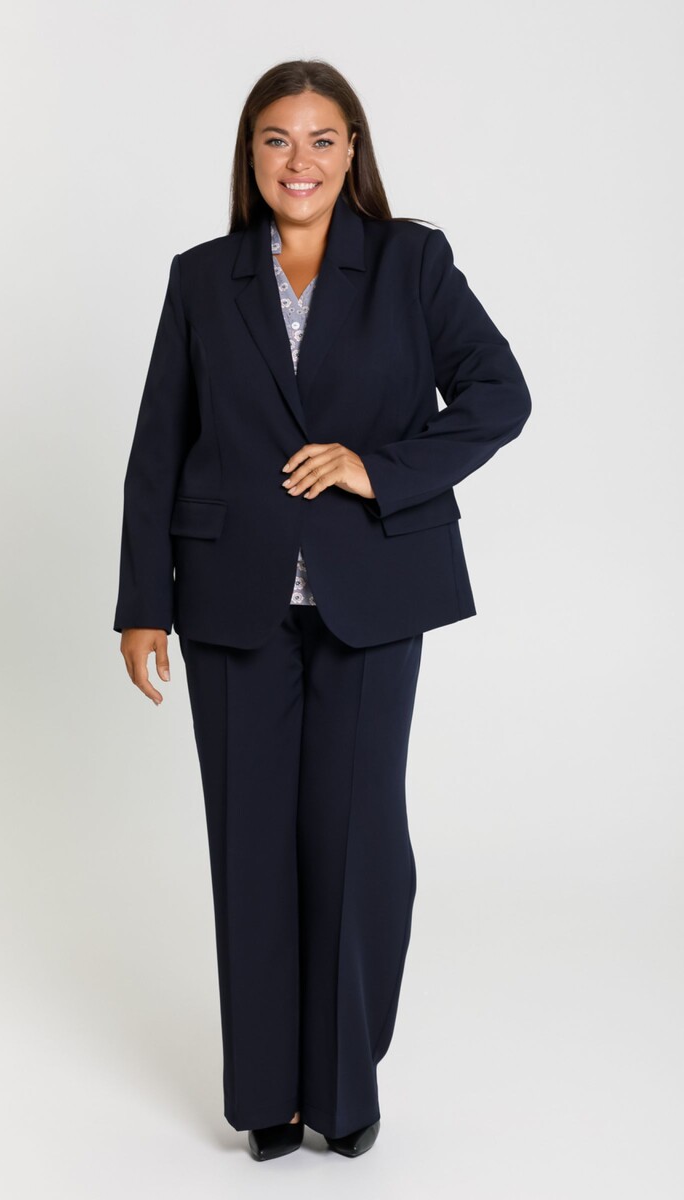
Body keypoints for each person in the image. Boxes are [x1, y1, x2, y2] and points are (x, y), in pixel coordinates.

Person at [114, 59, 531, 1161]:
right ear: (250, 156)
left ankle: (344, 1092)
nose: (298, 161)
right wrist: (141, 603)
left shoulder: (410, 263)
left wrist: (375, 468)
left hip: (371, 592)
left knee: (358, 848)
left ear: (353, 153)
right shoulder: (201, 278)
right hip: (228, 597)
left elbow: (499, 393)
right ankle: (266, 1097)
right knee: (250, 847)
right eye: (276, 140)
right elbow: (159, 444)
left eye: (321, 139)